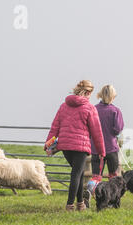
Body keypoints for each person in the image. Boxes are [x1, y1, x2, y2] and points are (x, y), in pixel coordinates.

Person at [45, 80, 106, 211]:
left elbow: (55, 127)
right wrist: (101, 151)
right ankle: (70, 205)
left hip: (65, 147)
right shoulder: (90, 108)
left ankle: (80, 203)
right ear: (88, 92)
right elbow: (97, 132)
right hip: (80, 147)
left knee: (79, 173)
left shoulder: (64, 106)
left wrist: (48, 145)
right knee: (76, 174)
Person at [83, 85, 124, 207]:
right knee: (113, 176)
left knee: (96, 176)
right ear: (112, 96)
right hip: (111, 148)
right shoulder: (115, 111)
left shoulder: (93, 109)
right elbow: (118, 129)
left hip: (96, 148)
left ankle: (90, 191)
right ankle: (112, 202)